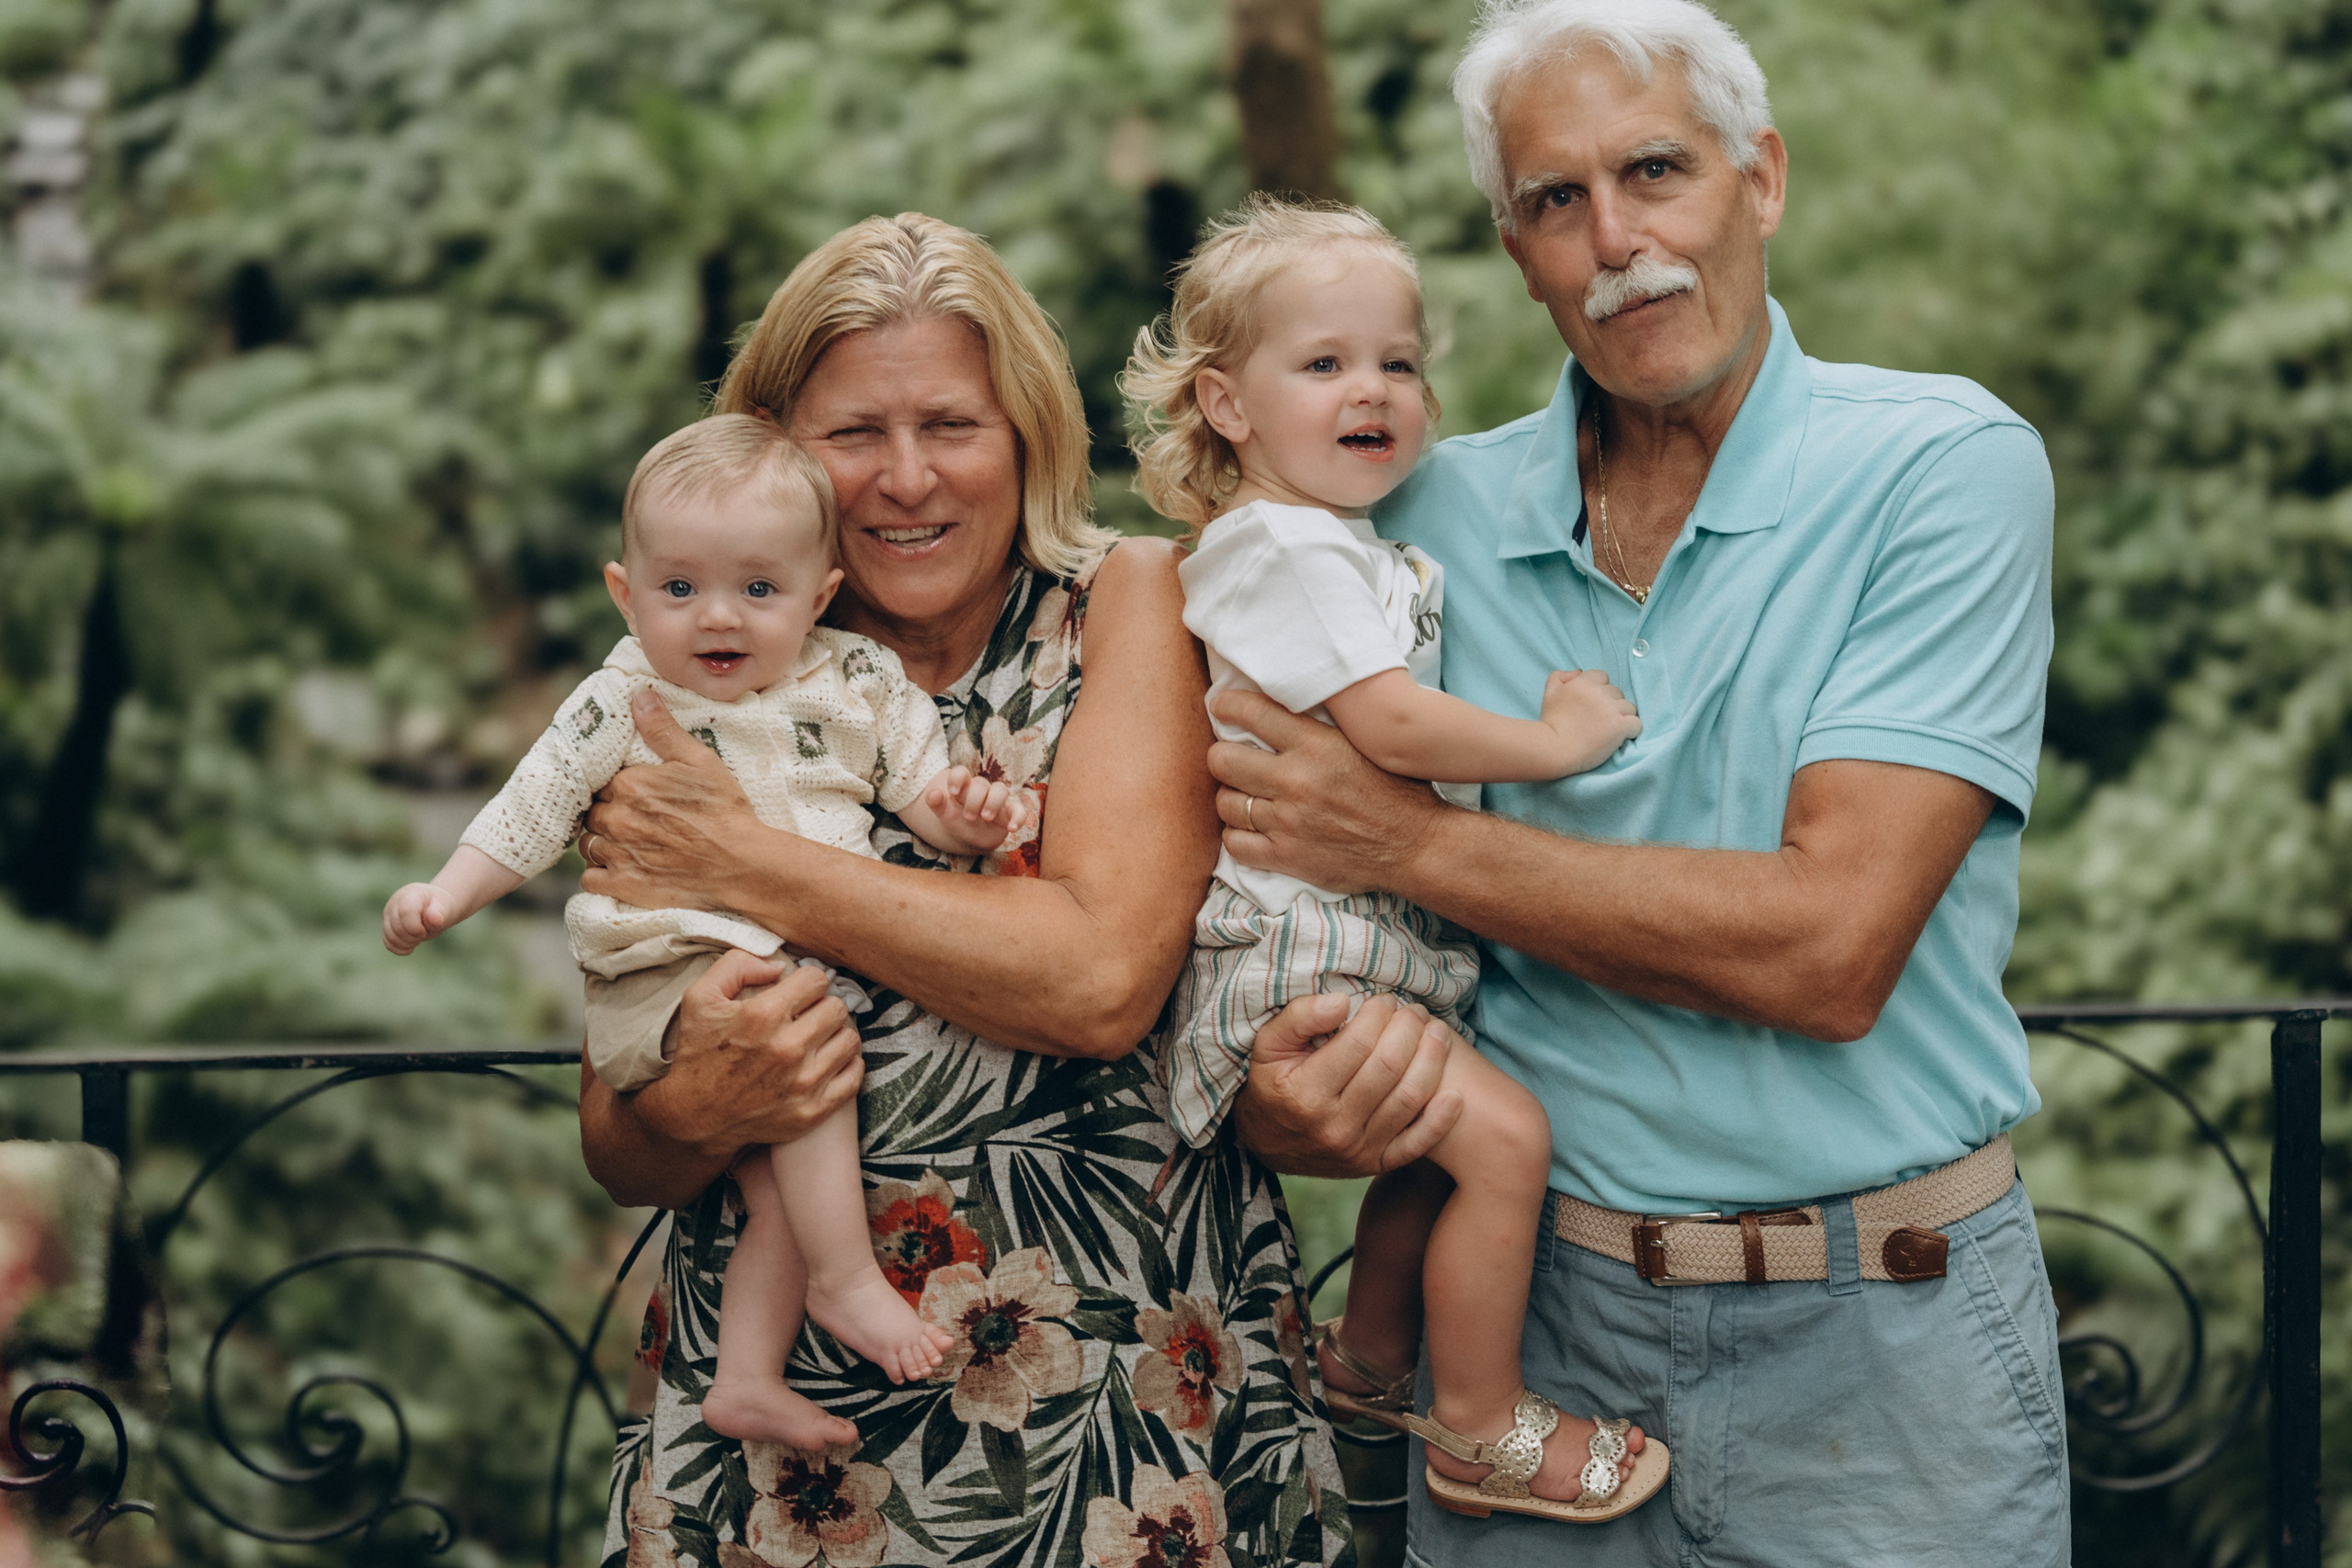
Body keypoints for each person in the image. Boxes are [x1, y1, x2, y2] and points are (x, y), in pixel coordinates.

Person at [1208, 2, 2066, 1564]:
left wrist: (1403, 838)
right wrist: (1290, 1083)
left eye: (1657, 169)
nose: (1619, 238)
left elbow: (1829, 950)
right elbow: (1265, 838)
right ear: (1517, 249)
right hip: (1530, 1349)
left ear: (1764, 180)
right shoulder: (1411, 518)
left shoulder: (1943, 465)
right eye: (1555, 200)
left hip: (1891, 1340)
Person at [576, 213, 1353, 1568]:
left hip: (1114, 1389)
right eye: (853, 433)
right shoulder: (704, 648)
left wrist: (747, 862)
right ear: (776, 450)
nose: (905, 477)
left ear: (1028, 435)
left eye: (952, 424)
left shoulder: (1126, 600)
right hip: (784, 1412)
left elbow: (1100, 975)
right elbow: (616, 1133)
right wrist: (707, 1093)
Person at [1124, 194, 1659, 1524]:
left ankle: (1369, 1358)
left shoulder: (1333, 539)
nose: (1373, 390)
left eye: (1398, 362)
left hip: (1360, 931)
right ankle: (1478, 1423)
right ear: (1227, 404)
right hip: (1309, 944)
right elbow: (1390, 720)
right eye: (1324, 364)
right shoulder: (1288, 546)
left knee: (1437, 1149)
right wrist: (1558, 739)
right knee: (1508, 1136)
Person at [386, 414, 1038, 1448]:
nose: (716, 619)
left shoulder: (857, 682)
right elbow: (533, 806)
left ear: (820, 595)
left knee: (780, 1179)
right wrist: (445, 896)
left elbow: (918, 793)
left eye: (759, 590)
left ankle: (744, 1376)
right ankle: (846, 1279)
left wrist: (969, 816)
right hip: (671, 967)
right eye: (679, 589)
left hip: (774, 963)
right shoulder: (621, 699)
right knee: (805, 1072)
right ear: (625, 593)